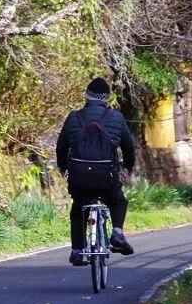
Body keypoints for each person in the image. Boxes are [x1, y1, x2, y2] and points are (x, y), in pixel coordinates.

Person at [56, 76, 136, 266]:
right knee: (118, 201)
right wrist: (129, 167)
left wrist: (63, 167)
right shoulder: (116, 118)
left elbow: (61, 146)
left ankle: (76, 251)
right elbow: (128, 146)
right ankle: (117, 232)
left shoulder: (74, 117)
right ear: (107, 98)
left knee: (78, 207)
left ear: (86, 96)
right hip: (106, 178)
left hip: (79, 179)